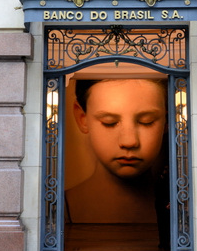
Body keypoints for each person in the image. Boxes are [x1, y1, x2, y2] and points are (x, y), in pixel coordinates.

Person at [65, 78, 167, 225]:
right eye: (109, 122)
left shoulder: (184, 207)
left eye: (147, 121)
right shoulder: (56, 208)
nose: (129, 141)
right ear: (82, 118)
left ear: (167, 120)